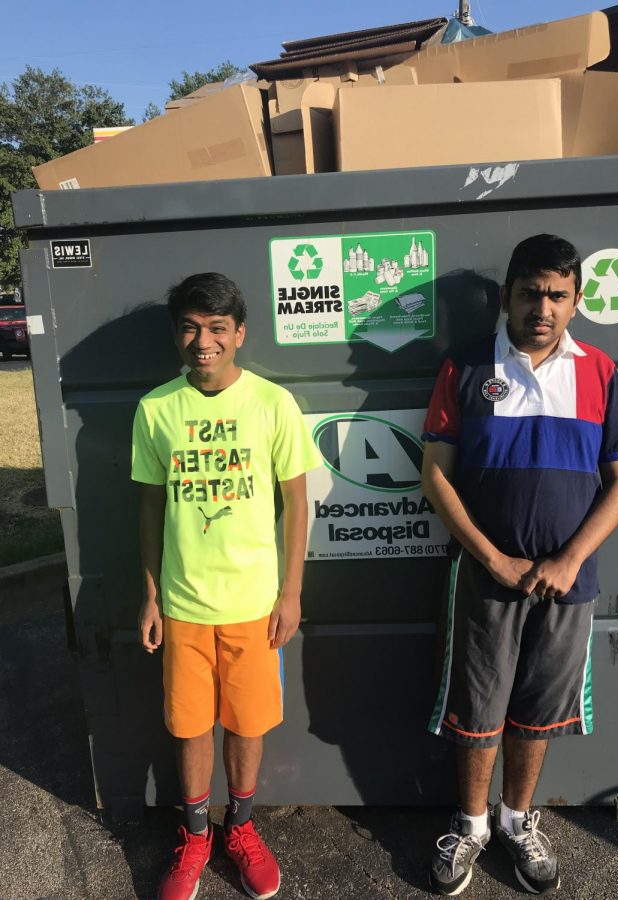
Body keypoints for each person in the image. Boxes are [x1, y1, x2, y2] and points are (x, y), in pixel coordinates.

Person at [421, 234, 618, 896]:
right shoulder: (463, 368)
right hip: (486, 577)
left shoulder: (598, 371)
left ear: (574, 301)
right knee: (477, 709)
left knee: (539, 711)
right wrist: (494, 558)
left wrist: (569, 559)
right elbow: (434, 476)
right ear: (506, 295)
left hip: (569, 586)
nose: (541, 308)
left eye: (556, 295)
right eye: (529, 293)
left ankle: (516, 821)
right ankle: (471, 824)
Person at [133, 272, 321, 900]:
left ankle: (239, 827)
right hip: (183, 606)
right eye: (190, 326)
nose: (203, 341)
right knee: (189, 726)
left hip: (254, 605)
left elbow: (297, 505)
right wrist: (153, 595)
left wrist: (290, 593)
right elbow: (150, 509)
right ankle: (194, 835)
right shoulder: (156, 408)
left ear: (240, 333)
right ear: (176, 335)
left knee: (246, 724)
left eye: (217, 328)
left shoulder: (272, 403)